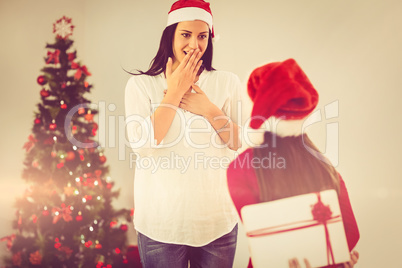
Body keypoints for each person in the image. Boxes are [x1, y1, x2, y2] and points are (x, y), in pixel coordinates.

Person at [124, 0, 242, 267]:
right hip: (160, 226)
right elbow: (142, 144)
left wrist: (210, 110)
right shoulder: (141, 86)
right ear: (171, 36)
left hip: (216, 223)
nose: (194, 45)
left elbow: (239, 143)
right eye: (185, 35)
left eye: (202, 36)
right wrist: (175, 92)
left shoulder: (227, 82)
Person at [226, 59, 360, 268]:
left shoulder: (240, 168)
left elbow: (261, 237)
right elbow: (351, 232)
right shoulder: (323, 164)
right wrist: (333, 255)